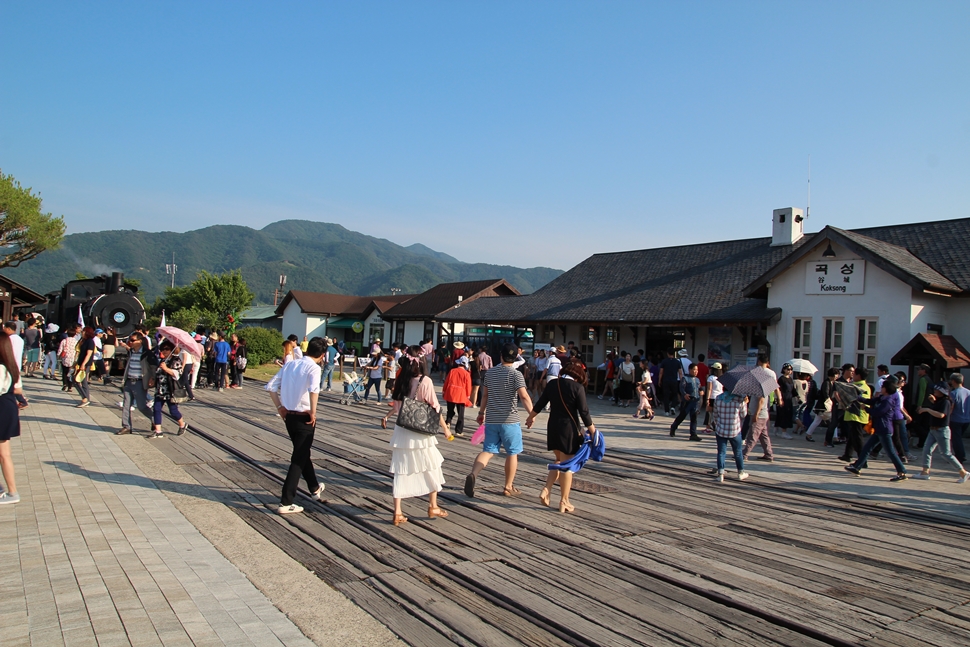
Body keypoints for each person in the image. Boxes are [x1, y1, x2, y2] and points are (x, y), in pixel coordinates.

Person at [387, 347, 454, 526]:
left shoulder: (401, 379)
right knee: (431, 466)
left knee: (401, 470)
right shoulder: (425, 381)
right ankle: (433, 505)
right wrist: (446, 429)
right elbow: (435, 407)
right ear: (422, 362)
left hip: (402, 431)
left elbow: (396, 406)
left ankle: (397, 512)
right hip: (420, 432)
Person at [265, 337, 328, 515]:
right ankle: (286, 501)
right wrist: (313, 412)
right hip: (304, 417)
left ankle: (314, 488)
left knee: (302, 452)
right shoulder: (314, 368)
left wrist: (280, 407)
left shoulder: (290, 364)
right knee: (298, 458)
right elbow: (314, 390)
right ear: (322, 355)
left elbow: (271, 386)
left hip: (289, 416)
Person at [465, 343, 534, 498]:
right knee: (512, 453)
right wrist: (531, 415)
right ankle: (508, 486)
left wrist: (481, 413)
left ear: (501, 356)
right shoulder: (516, 375)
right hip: (510, 420)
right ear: (516, 357)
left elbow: (485, 396)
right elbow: (524, 396)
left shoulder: (490, 373)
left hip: (492, 419)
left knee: (488, 451)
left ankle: (473, 474)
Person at [526, 359, 595, 513]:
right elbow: (584, 412)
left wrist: (531, 417)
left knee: (559, 460)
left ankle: (546, 489)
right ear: (577, 376)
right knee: (567, 466)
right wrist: (593, 430)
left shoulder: (552, 384)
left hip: (552, 427)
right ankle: (564, 501)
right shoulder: (577, 388)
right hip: (568, 429)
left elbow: (540, 403)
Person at [844, 378, 908, 481]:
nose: (881, 388)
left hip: (884, 429)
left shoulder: (888, 401)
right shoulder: (883, 397)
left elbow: (878, 412)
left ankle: (902, 471)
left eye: (882, 387)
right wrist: (858, 398)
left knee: (890, 452)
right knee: (866, 448)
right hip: (879, 428)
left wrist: (866, 408)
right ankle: (857, 467)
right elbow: (871, 401)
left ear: (886, 389)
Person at [913, 382, 970, 483]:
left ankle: (963, 472)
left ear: (942, 391)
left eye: (936, 390)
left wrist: (927, 409)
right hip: (933, 430)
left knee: (946, 453)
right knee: (926, 450)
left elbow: (941, 415)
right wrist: (933, 402)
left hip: (942, 430)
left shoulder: (946, 402)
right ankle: (925, 472)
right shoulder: (939, 401)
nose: (934, 391)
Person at [115, 331, 157, 435]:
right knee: (126, 405)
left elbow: (154, 367)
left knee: (142, 406)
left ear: (140, 341)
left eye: (133, 340)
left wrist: (153, 378)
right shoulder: (131, 352)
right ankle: (126, 426)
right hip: (129, 381)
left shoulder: (147, 353)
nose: (131, 342)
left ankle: (154, 420)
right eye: (130, 340)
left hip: (139, 382)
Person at [149, 340, 189, 439]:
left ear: (171, 349)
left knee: (173, 411)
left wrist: (166, 369)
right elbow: (158, 373)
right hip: (160, 389)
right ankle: (158, 431)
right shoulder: (162, 360)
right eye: (162, 349)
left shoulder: (176, 360)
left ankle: (182, 425)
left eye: (167, 349)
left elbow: (177, 374)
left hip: (170, 390)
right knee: (156, 409)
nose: (164, 351)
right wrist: (153, 378)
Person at [0, 330, 23, 504]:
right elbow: (18, 389)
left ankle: (12, 492)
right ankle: (10, 490)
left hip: (2, 406)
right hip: (8, 404)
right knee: (4, 453)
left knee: (4, 454)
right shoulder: (10, 365)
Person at [710, 390, 749, 482]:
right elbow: (744, 415)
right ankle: (740, 473)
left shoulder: (718, 398)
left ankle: (720, 474)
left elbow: (715, 414)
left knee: (721, 452)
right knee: (738, 452)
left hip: (721, 430)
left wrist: (717, 424)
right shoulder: (739, 399)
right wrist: (745, 403)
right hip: (734, 430)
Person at [742, 354, 775, 462]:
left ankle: (744, 454)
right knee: (763, 435)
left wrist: (756, 414)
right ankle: (768, 454)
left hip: (760, 413)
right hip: (764, 413)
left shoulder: (761, 385)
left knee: (753, 435)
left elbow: (761, 401)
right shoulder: (769, 377)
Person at [837, 367, 872, 464]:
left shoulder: (860, 387)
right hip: (854, 415)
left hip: (857, 415)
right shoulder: (859, 385)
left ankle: (862, 460)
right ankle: (847, 455)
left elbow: (861, 402)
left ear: (859, 376)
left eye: (854, 374)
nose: (853, 375)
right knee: (852, 436)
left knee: (857, 438)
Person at [670, 363, 703, 441]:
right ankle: (673, 427)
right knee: (682, 416)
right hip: (687, 401)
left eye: (697, 370)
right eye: (694, 369)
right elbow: (681, 388)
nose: (696, 371)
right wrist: (684, 394)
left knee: (694, 418)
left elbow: (699, 387)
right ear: (690, 370)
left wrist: (701, 391)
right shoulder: (685, 378)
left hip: (695, 401)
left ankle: (693, 434)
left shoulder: (697, 379)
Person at [805, 368, 838, 442]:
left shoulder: (831, 382)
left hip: (825, 405)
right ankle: (835, 437)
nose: (837, 377)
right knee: (829, 421)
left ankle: (808, 434)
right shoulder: (826, 383)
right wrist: (830, 401)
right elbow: (826, 394)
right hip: (823, 406)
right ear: (832, 375)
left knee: (819, 421)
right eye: (836, 375)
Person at [443, 355, 472, 437]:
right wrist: (468, 395)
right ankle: (458, 430)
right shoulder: (466, 374)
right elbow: (468, 386)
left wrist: (444, 390)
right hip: (461, 394)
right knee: (461, 414)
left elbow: (447, 381)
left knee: (450, 410)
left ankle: (448, 422)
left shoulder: (452, 371)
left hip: (451, 392)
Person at [2, 321, 28, 409]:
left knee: (10, 385)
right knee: (15, 383)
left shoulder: (8, 339)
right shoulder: (20, 339)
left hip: (9, 363)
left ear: (8, 329)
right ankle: (22, 400)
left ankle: (22, 401)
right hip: (16, 363)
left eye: (4, 328)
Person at [73, 327, 97, 408]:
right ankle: (86, 399)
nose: (81, 332)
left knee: (77, 379)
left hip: (86, 364)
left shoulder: (90, 341)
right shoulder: (83, 340)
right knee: (83, 382)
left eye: (83, 331)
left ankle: (85, 398)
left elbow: (89, 354)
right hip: (81, 363)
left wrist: (83, 364)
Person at [948, 373, 969, 464]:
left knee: (956, 439)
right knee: (959, 438)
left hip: (956, 419)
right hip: (967, 419)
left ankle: (960, 456)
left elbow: (952, 407)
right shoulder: (968, 392)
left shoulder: (953, 393)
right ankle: (961, 454)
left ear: (953, 381)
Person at [658, 348, 684, 416]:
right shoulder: (677, 362)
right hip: (674, 380)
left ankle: (666, 411)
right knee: (674, 394)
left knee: (666, 395)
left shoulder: (664, 361)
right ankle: (673, 407)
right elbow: (680, 373)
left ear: (667, 353)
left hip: (666, 380)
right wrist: (681, 381)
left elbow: (661, 372)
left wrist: (659, 380)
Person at [774, 363, 795, 439]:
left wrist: (797, 397)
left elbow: (793, 389)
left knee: (788, 414)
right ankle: (783, 431)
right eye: (788, 369)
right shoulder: (781, 379)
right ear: (784, 370)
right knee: (782, 414)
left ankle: (779, 429)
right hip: (783, 398)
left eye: (791, 369)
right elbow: (778, 389)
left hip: (789, 398)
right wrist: (779, 399)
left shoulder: (790, 379)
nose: (790, 371)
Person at [704, 362, 724, 432]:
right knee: (718, 413)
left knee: (708, 411)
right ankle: (716, 426)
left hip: (712, 397)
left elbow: (709, 389)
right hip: (721, 397)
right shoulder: (722, 378)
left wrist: (707, 399)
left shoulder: (711, 378)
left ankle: (708, 427)